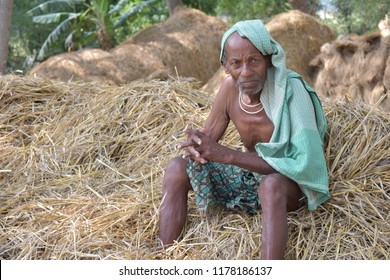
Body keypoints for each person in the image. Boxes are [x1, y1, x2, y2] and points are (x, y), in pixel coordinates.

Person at [159, 19, 331, 259]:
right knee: (177, 166)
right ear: (225, 66)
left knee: (270, 186)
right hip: (247, 181)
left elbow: (304, 166)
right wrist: (197, 146)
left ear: (268, 59)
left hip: (284, 188)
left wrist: (228, 155)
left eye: (254, 61)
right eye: (236, 63)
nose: (246, 72)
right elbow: (209, 140)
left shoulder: (291, 92)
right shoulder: (229, 90)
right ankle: (160, 258)